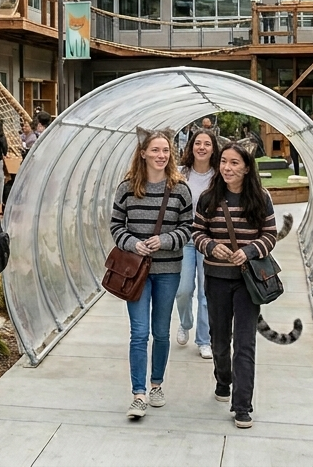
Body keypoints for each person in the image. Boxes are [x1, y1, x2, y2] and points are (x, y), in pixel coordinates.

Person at [110, 128, 195, 420]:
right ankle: (138, 393)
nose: (161, 155)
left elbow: (188, 227)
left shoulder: (180, 189)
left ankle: (156, 383)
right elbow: (115, 226)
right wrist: (132, 243)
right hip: (135, 271)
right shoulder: (128, 188)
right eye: (155, 150)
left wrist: (166, 241)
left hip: (168, 269)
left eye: (165, 151)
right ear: (143, 153)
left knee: (160, 331)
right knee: (139, 332)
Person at [192, 141, 278, 429]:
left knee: (244, 343)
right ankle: (222, 378)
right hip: (216, 278)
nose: (227, 168)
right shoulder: (208, 198)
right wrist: (210, 246)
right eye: (224, 162)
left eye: (234, 163)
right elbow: (197, 233)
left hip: (247, 281)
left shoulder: (260, 198)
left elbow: (270, 235)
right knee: (219, 339)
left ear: (246, 168)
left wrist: (251, 250)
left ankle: (242, 405)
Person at [176, 129, 217, 360]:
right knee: (183, 290)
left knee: (205, 291)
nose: (202, 147)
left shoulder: (218, 176)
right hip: (185, 238)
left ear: (213, 149)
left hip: (209, 240)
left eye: (207, 144)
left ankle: (204, 339)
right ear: (191, 147)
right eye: (198, 143)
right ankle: (185, 322)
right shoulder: (181, 174)